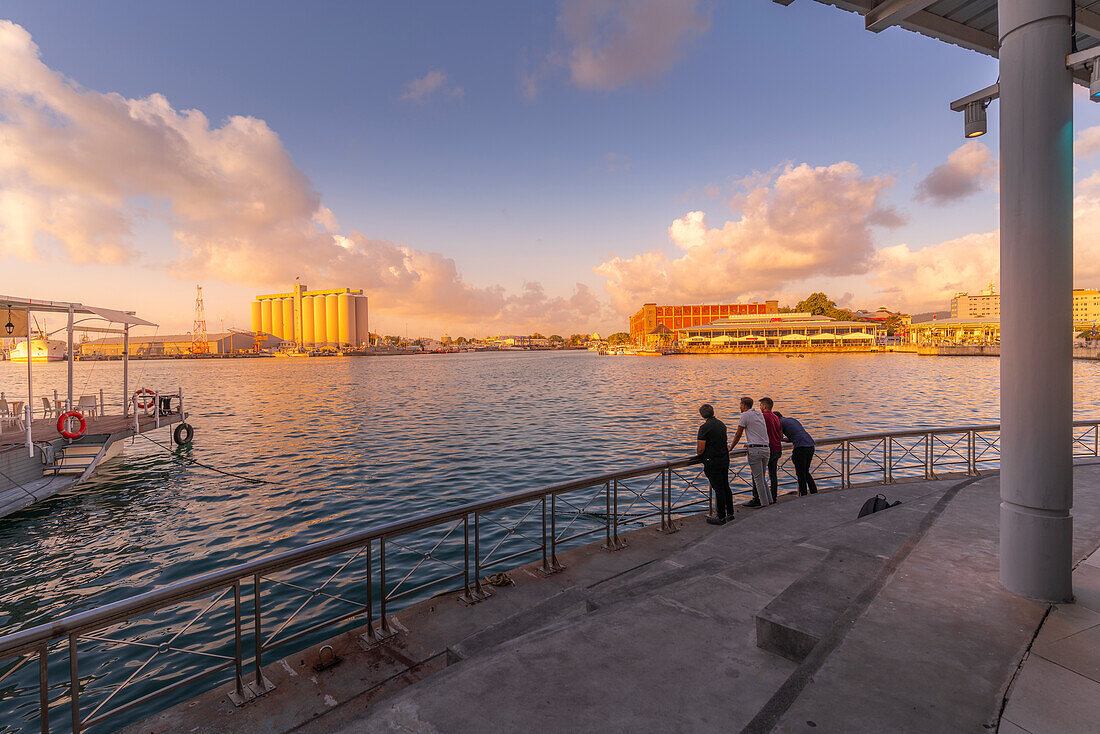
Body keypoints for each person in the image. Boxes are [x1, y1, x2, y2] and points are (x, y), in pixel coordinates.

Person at [729, 396, 772, 508]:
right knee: (762, 477)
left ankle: (765, 505)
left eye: (740, 404)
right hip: (766, 448)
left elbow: (738, 434)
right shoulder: (759, 414)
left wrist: (731, 448)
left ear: (743, 405)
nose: (739, 406)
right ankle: (770, 501)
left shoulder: (745, 415)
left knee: (758, 479)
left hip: (755, 450)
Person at [697, 404, 734, 524]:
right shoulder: (721, 424)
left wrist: (698, 455)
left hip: (712, 461)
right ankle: (730, 513)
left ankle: (721, 516)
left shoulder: (704, 427)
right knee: (725, 486)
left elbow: (701, 449)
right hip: (724, 459)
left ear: (702, 415)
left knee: (718, 489)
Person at [774, 411, 818, 496]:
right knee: (805, 471)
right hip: (810, 445)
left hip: (801, 447)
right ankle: (814, 492)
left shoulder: (780, 423)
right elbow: (793, 436)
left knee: (800, 473)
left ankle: (803, 494)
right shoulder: (791, 420)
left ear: (776, 418)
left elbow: (779, 436)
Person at [759, 397, 781, 503]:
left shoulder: (763, 417)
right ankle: (773, 496)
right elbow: (780, 433)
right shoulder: (776, 417)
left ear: (764, 406)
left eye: (760, 405)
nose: (760, 408)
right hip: (777, 447)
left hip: (769, 448)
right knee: (773, 475)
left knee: (759, 475)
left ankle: (760, 498)